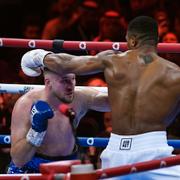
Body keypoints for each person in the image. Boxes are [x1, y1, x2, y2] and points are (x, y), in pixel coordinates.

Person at [21, 16, 180, 179]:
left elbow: (67, 63)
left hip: (116, 153)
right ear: (156, 40)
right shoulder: (175, 74)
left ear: (132, 40)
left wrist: (38, 57)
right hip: (154, 150)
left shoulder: (113, 60)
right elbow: (170, 115)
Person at [8, 68, 110, 173]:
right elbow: (18, 160)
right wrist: (36, 132)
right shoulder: (26, 104)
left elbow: (113, 103)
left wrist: (121, 78)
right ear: (48, 82)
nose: (71, 86)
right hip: (32, 166)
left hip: (68, 165)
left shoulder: (80, 97)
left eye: (73, 79)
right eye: (64, 80)